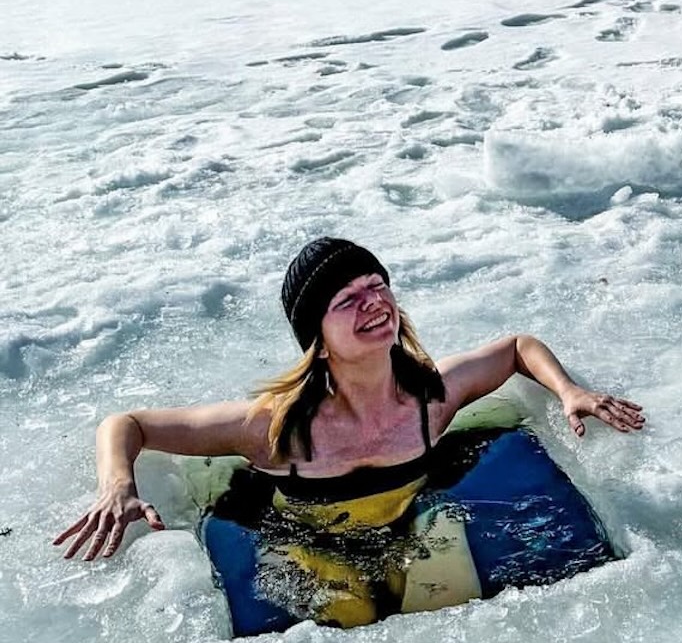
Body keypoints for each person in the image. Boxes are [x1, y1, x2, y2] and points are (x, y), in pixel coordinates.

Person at [55, 236, 645, 570]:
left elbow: (517, 348)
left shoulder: (430, 398)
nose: (373, 303)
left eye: (377, 287)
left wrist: (570, 391)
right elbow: (126, 423)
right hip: (299, 537)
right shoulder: (272, 429)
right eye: (348, 299)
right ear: (316, 336)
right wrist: (117, 485)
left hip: (416, 522)